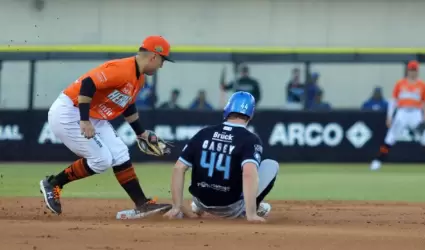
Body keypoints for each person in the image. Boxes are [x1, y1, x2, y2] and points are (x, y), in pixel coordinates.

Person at [39, 35, 174, 217]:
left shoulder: (139, 78)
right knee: (101, 160)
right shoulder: (122, 69)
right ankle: (54, 183)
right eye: (162, 60)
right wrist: (84, 120)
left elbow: (127, 105)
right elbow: (88, 84)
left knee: (120, 153)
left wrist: (140, 133)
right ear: (153, 57)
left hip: (92, 114)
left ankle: (142, 204)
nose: (161, 66)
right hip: (69, 111)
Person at [164, 91, 279, 222]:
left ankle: (198, 206)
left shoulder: (204, 133)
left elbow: (179, 168)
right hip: (230, 208)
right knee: (271, 164)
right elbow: (248, 174)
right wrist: (251, 215)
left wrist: (176, 207)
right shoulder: (250, 139)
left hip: (200, 200)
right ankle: (251, 209)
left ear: (227, 110)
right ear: (251, 115)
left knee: (200, 164)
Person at [370, 60, 425, 171]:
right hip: (402, 113)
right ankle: (378, 161)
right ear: (408, 71)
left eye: (415, 70)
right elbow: (393, 101)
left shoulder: (422, 85)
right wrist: (389, 116)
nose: (413, 72)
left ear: (417, 71)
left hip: (416, 113)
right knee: (390, 138)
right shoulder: (400, 83)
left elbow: (424, 102)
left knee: (424, 138)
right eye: (411, 70)